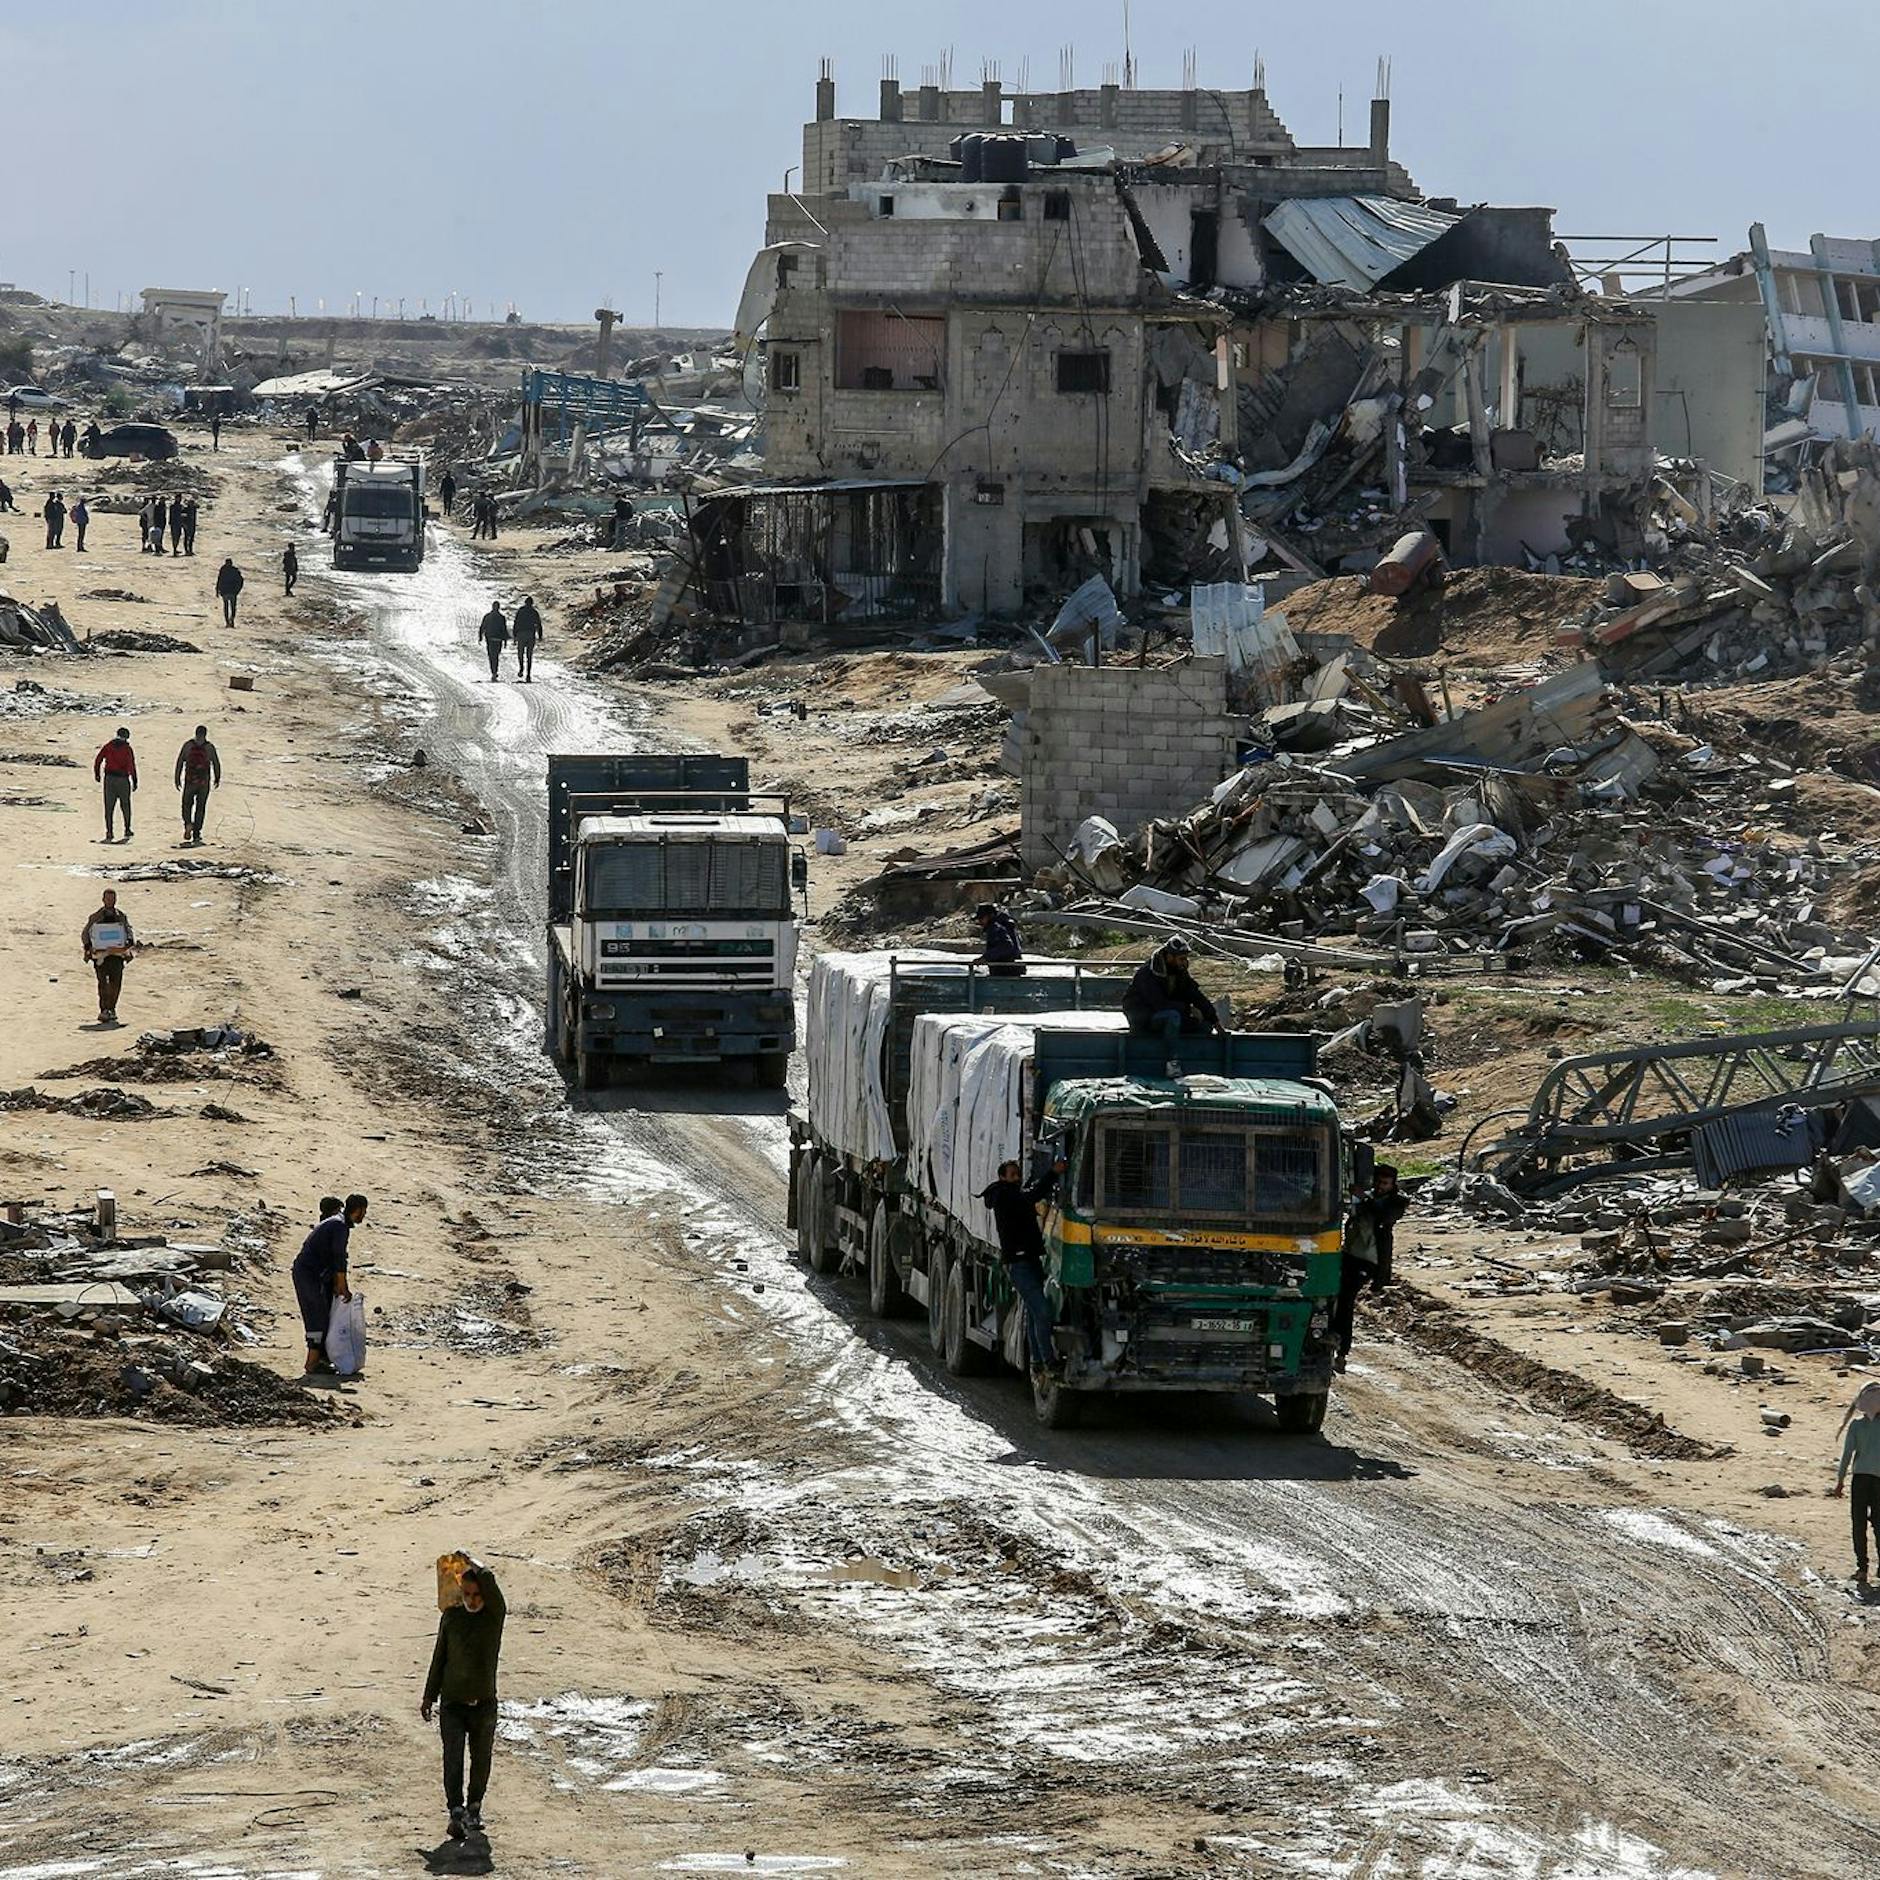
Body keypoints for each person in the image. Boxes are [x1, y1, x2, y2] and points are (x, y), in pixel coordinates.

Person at [421, 1557, 507, 1842]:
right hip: (452, 1704)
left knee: (481, 1760)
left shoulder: (493, 1618)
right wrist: (429, 1696)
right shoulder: (452, 1618)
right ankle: (456, 1810)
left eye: (475, 1594)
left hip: (483, 1704)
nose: (470, 1600)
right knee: (453, 1758)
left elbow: (491, 1582)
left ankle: (474, 1806)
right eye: (466, 1594)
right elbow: (439, 1658)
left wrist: (471, 1562)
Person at [980, 1157, 1068, 1379]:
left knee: (1033, 1312)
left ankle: (1037, 1361)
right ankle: (1048, 1361)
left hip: (1028, 1261)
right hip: (1020, 1265)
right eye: (1012, 1175)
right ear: (1002, 1177)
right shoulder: (1005, 1196)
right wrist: (1053, 1173)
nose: (1016, 1178)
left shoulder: (1010, 1195)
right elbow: (1032, 1195)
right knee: (1042, 1311)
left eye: (1017, 1174)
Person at [1333, 1164, 1406, 1375]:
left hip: (1368, 1261)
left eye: (1385, 1183)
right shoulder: (1366, 1198)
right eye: (1378, 1182)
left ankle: (1341, 1352)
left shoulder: (1396, 1203)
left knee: (1346, 1300)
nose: (1381, 1187)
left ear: (1392, 1185)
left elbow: (1384, 1216)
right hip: (1348, 1254)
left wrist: (1363, 1198)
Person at [292, 1191, 365, 1376]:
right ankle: (312, 1364)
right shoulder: (340, 1226)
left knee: (324, 1313)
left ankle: (321, 1360)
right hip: (309, 1274)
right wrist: (343, 1286)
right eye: (363, 1212)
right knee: (316, 1316)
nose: (363, 1216)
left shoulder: (336, 1223)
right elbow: (338, 1257)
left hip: (313, 1274)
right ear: (357, 1210)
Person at [1122, 936, 1221, 1065]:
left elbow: (1195, 995)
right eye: (1181, 959)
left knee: (1204, 1026)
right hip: (1144, 1018)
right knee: (1172, 1016)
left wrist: (1214, 1020)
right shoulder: (1147, 974)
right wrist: (1188, 1009)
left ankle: (1194, 1063)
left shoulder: (1180, 972)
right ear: (1169, 957)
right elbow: (1159, 1004)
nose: (1184, 962)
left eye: (1185, 959)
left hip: (1168, 1016)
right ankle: (1171, 1062)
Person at [1834, 1391, 1880, 1588]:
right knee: (1879, 1524)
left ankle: (1862, 1568)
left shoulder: (1856, 1426)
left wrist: (1840, 1481)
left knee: (1858, 1524)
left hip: (1860, 1479)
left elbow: (1847, 1455)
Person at [81, 889, 134, 1024]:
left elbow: (128, 931)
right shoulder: (95, 917)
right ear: (103, 899)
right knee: (103, 983)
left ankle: (112, 1009)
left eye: (113, 899)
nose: (110, 901)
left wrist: (127, 942)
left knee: (116, 983)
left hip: (117, 955)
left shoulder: (121, 916)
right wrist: (88, 947)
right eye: (108, 898)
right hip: (100, 955)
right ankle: (104, 1010)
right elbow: (85, 933)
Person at [174, 724, 221, 844]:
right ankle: (197, 833)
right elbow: (216, 763)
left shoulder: (188, 745)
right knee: (200, 808)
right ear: (205, 734)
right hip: (203, 782)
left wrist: (177, 778)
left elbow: (180, 761)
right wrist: (217, 778)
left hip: (190, 781)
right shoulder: (209, 747)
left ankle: (188, 824)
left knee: (186, 805)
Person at [94, 725, 138, 840]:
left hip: (109, 779)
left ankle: (109, 832)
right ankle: (127, 829)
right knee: (126, 806)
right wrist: (134, 780)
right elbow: (132, 765)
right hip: (123, 780)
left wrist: (97, 774)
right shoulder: (127, 749)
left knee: (109, 807)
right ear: (126, 737)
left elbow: (98, 759)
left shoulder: (109, 746)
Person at [972, 902, 1025, 978]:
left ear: (990, 916)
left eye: (982, 918)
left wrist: (985, 958)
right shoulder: (1002, 924)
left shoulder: (996, 927)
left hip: (1005, 971)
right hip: (1011, 969)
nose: (980, 922)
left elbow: (1006, 946)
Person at [511, 596, 542, 681]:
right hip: (530, 634)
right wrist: (540, 636)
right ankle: (528, 674)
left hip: (521, 634)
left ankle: (521, 668)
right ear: (532, 603)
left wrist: (515, 635)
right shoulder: (534, 612)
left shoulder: (521, 611)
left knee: (520, 654)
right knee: (529, 656)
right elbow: (539, 624)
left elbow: (516, 622)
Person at [477, 603, 508, 681]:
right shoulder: (501, 617)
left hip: (490, 639)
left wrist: (480, 637)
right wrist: (505, 641)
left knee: (491, 656)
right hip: (498, 640)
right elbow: (504, 630)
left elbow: (482, 627)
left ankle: (494, 672)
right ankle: (495, 671)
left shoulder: (487, 616)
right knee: (496, 656)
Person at [215, 557, 244, 627]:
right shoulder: (234, 570)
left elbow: (219, 580)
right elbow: (240, 581)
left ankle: (228, 621)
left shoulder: (223, 570)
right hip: (232, 592)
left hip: (226, 591)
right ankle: (231, 620)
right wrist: (238, 590)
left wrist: (217, 590)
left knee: (227, 607)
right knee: (232, 607)